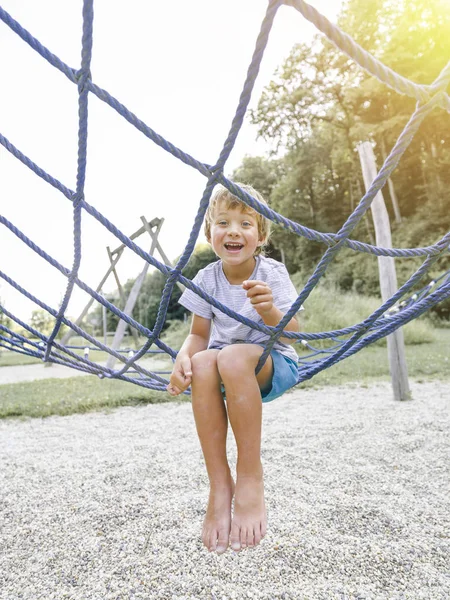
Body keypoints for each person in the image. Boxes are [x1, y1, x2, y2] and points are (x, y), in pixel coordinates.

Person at [167, 183, 301, 554]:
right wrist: (183, 357)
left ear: (260, 236)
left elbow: (293, 333)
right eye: (223, 222)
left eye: (245, 223)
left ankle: (249, 476)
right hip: (225, 372)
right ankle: (219, 482)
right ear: (210, 232)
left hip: (272, 364)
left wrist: (270, 310)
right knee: (204, 359)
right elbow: (198, 335)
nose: (234, 231)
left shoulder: (271, 272)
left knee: (228, 356)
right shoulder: (206, 279)